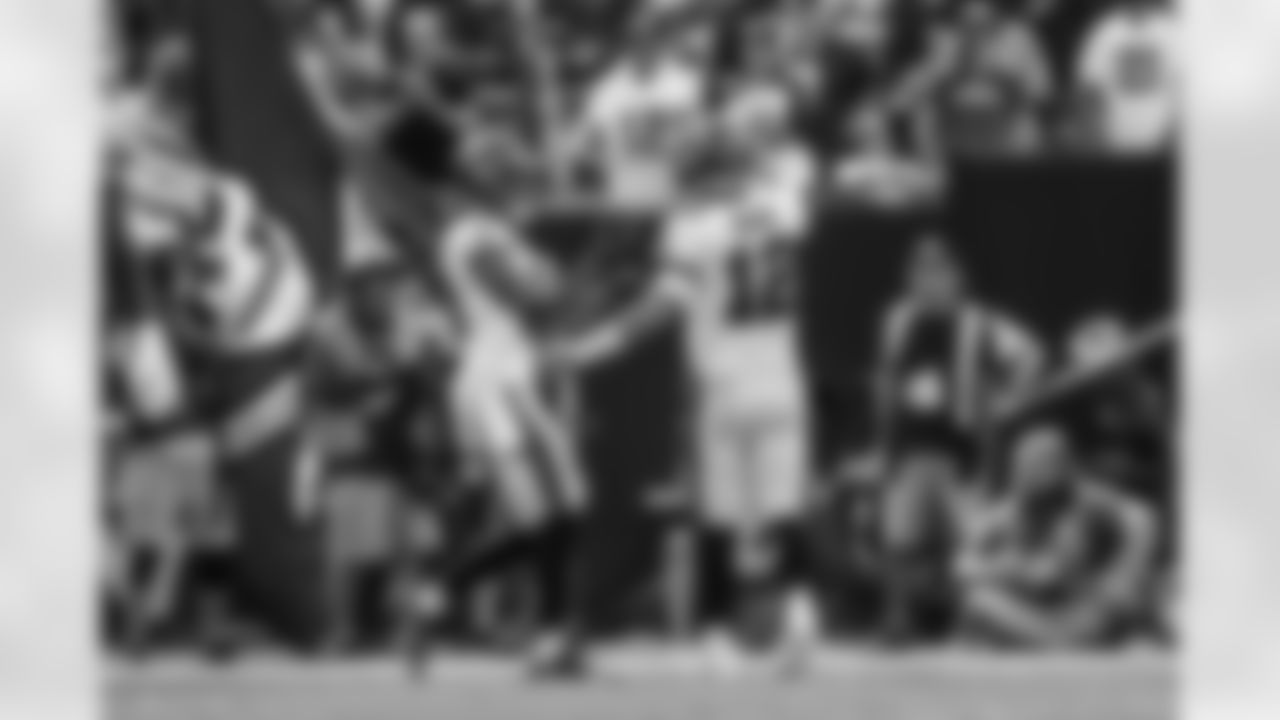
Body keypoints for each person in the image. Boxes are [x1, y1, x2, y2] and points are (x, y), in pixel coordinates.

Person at [555, 83, 821, 675]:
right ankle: (802, 616)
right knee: (784, 510)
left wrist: (588, 350)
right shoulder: (784, 206)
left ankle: (717, 635)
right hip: (782, 379)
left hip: (724, 385)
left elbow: (658, 310)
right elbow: (792, 164)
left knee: (720, 519)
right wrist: (752, 137)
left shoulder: (694, 229)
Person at [401, 126, 592, 679]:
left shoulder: (494, 231)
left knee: (553, 517)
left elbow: (544, 293)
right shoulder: (470, 235)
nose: (516, 183)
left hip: (510, 374)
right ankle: (550, 640)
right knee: (558, 513)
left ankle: (439, 595)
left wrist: (556, 286)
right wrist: (560, 285)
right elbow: (532, 298)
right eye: (507, 173)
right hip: (500, 378)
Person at [868, 237, 1043, 644]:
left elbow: (1030, 355)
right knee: (899, 539)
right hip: (909, 450)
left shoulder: (978, 323)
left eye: (937, 273)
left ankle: (973, 624)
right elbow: (886, 377)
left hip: (959, 452)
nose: (928, 283)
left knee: (969, 542)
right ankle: (898, 621)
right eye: (919, 274)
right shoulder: (897, 321)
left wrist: (1007, 400)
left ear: (956, 278)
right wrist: (882, 438)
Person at [956, 425, 1160, 647]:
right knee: (979, 602)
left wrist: (1123, 574)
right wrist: (1009, 568)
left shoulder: (1086, 500)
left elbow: (1140, 517)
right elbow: (965, 564)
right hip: (1040, 613)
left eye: (1041, 463)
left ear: (1063, 465)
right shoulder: (1016, 506)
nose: (1030, 472)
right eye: (1025, 465)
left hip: (1083, 614)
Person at [1073, 0, 1176, 154]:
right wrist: (1096, 141)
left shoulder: (1171, 32)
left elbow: (1183, 88)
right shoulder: (1105, 31)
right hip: (1115, 146)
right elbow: (1090, 92)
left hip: (1162, 146)